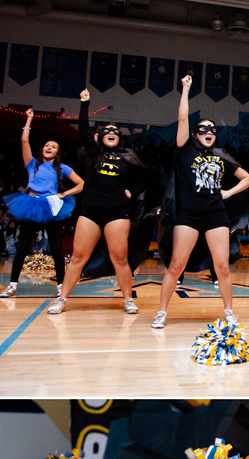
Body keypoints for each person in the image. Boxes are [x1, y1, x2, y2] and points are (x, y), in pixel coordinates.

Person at [152, 75, 249, 329]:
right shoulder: (185, 149)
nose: (210, 132)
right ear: (195, 135)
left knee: (222, 267)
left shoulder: (221, 155)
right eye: (204, 129)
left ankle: (229, 312)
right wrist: (185, 89)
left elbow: (247, 179)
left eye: (213, 130)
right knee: (176, 265)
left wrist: (228, 193)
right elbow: (184, 119)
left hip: (216, 215)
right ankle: (162, 313)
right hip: (188, 215)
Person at [48, 90, 144, 316]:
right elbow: (83, 130)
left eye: (115, 132)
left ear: (120, 138)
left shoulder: (128, 157)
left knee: (120, 258)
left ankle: (128, 299)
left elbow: (145, 179)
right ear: (100, 137)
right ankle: (62, 299)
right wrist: (84, 104)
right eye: (107, 131)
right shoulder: (92, 154)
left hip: (118, 212)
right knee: (79, 257)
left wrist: (132, 190)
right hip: (90, 211)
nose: (111, 133)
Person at [1, 108, 84, 298]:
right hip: (31, 205)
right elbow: (24, 140)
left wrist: (63, 194)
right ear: (42, 149)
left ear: (57, 152)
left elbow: (81, 184)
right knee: (22, 248)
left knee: (56, 248)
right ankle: (12, 286)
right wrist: (28, 119)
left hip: (51, 207)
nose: (49, 147)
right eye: (47, 145)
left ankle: (60, 287)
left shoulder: (62, 168)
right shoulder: (32, 164)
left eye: (53, 146)